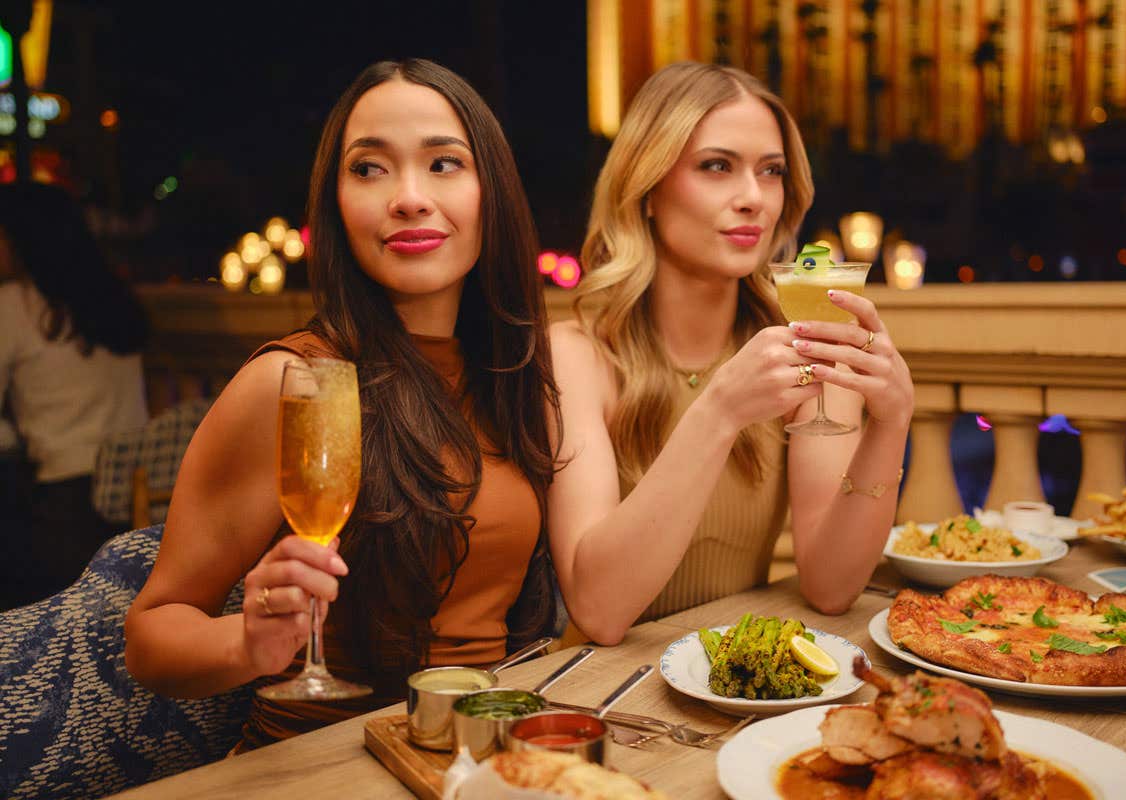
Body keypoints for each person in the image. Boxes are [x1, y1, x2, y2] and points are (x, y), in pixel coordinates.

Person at [123, 58, 582, 750]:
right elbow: (152, 638)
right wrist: (248, 641)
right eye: (368, 169)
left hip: (474, 758)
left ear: (493, 190)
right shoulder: (297, 381)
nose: (408, 197)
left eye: (443, 164)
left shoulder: (511, 375)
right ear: (334, 204)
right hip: (322, 765)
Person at [547, 62, 915, 644]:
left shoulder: (806, 344)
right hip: (601, 694)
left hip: (732, 683)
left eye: (771, 172)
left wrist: (891, 424)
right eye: (716, 167)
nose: (753, 198)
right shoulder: (577, 355)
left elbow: (831, 586)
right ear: (646, 190)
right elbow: (598, 611)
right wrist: (719, 411)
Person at [0, 183, 149, 609]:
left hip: (63, 511)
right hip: (138, 497)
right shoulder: (110, 299)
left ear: (21, 240)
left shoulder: (16, 304)